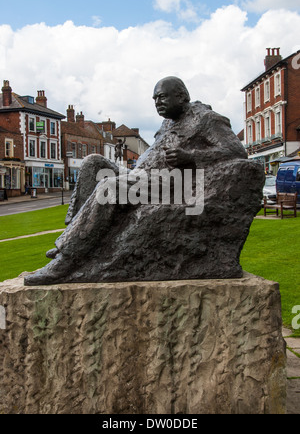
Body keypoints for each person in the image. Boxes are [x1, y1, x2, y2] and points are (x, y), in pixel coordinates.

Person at [24, 76, 251, 286]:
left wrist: (191, 157)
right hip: (140, 176)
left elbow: (235, 150)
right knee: (92, 163)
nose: (157, 103)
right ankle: (75, 238)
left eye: (162, 97)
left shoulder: (206, 119)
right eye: (154, 99)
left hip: (171, 182)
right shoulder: (167, 123)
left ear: (181, 96)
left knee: (109, 187)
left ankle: (66, 260)